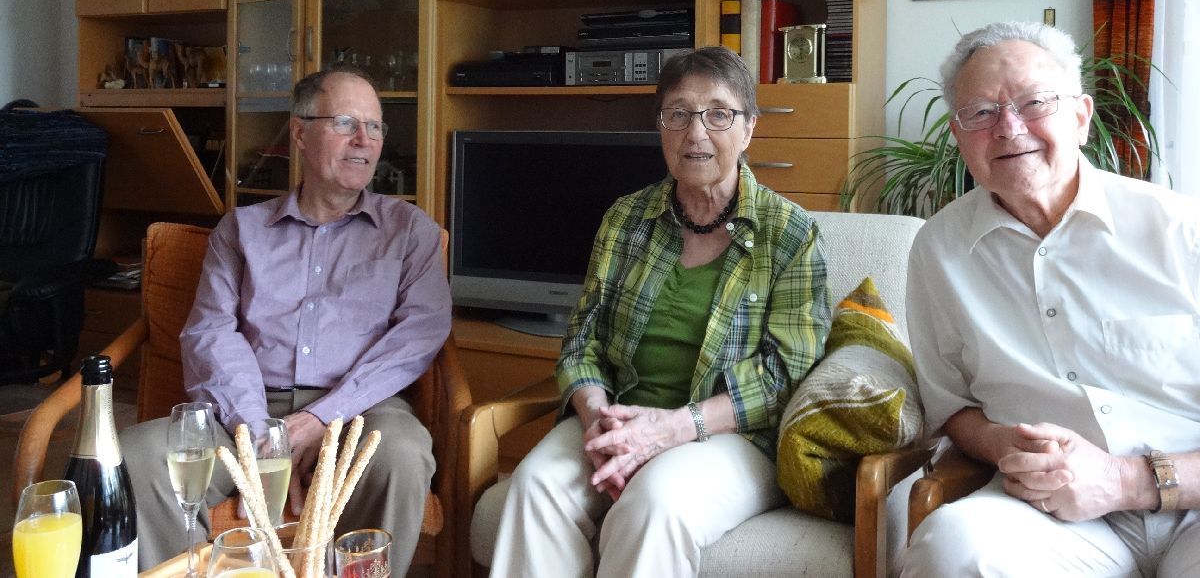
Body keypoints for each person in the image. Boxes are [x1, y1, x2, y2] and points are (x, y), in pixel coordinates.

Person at [490, 46, 830, 577]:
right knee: (534, 487)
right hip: (620, 413)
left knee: (653, 504)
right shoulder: (626, 219)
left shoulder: (790, 234)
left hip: (730, 437)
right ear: (660, 126)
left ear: (749, 129)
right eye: (678, 113)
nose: (696, 132)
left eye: (718, 114)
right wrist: (600, 419)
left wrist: (673, 428)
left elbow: (786, 374)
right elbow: (582, 340)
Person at [122, 67, 451, 571]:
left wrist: (323, 419)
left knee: (401, 453)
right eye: (346, 123)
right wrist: (264, 437)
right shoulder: (240, 230)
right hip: (244, 409)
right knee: (138, 455)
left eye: (375, 126)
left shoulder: (410, 232)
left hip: (362, 410)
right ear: (299, 132)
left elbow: (417, 337)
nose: (364, 140)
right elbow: (211, 334)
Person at [902, 21, 1200, 576]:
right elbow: (951, 407)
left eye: (1035, 103)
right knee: (953, 549)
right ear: (959, 135)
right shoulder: (939, 250)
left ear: (1081, 118)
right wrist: (1003, 444)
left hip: (1192, 503)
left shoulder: (1182, 231)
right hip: (1049, 514)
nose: (1009, 128)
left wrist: (1125, 480)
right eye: (981, 112)